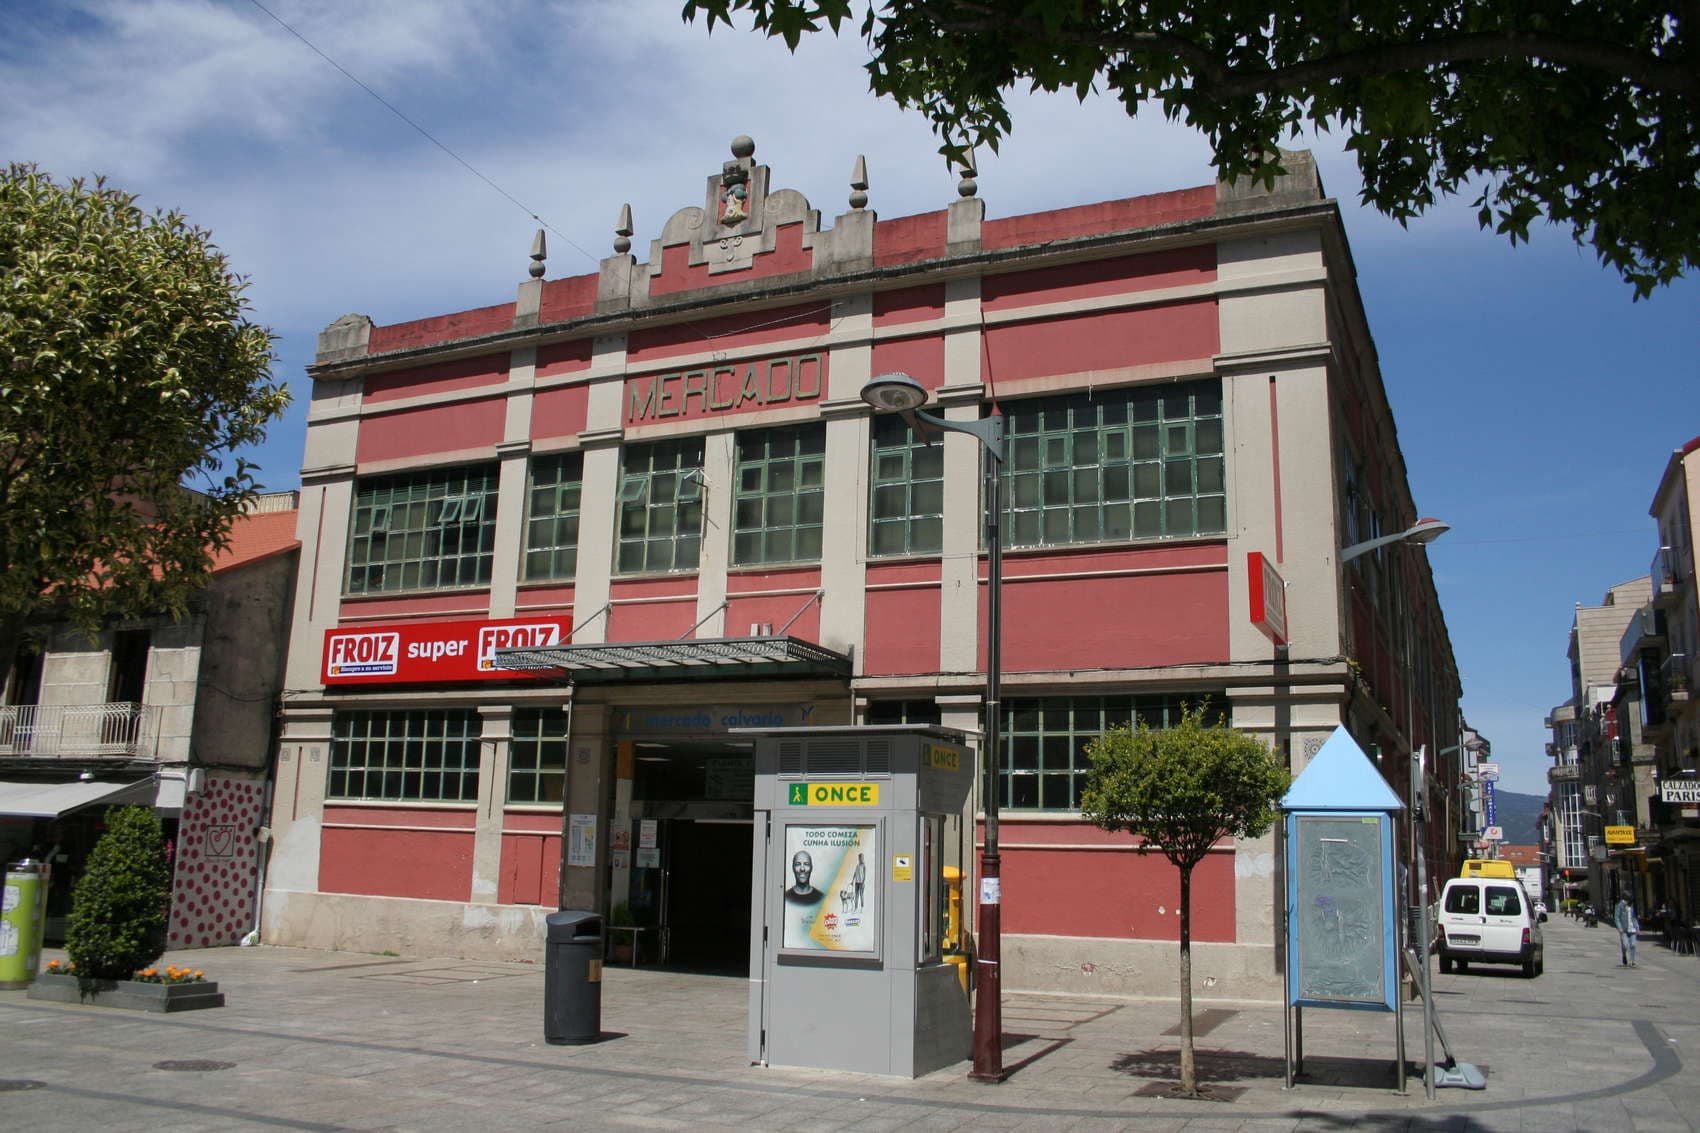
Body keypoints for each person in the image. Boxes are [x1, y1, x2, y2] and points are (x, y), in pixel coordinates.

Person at [1615, 897, 1641, 967]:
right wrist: (1620, 928)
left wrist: (1637, 927)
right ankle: (1624, 955)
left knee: (1633, 945)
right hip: (1624, 930)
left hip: (1632, 929)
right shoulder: (1619, 906)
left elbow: (1633, 917)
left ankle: (1632, 961)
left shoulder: (1631, 906)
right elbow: (1617, 918)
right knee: (1625, 945)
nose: (1629, 903)